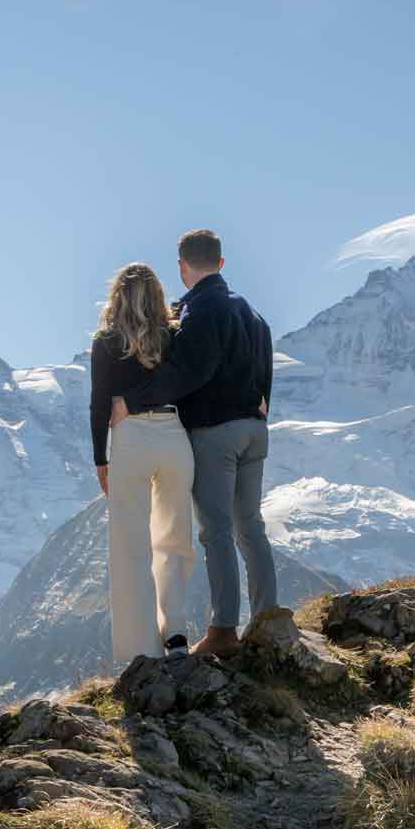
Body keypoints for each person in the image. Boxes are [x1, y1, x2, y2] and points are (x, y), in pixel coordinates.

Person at [112, 229, 276, 657]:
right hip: (254, 431)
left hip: (215, 433)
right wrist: (263, 407)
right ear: (221, 263)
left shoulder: (200, 310)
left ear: (183, 266)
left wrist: (132, 400)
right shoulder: (250, 310)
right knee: (250, 526)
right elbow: (264, 357)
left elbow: (190, 372)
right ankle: (268, 617)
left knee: (217, 531)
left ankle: (223, 631)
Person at [90, 263, 196, 666]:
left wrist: (101, 458)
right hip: (173, 433)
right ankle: (177, 634)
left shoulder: (105, 341)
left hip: (130, 438)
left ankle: (140, 651)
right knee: (173, 538)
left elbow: (99, 403)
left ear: (116, 296)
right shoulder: (172, 337)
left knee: (131, 546)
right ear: (156, 297)